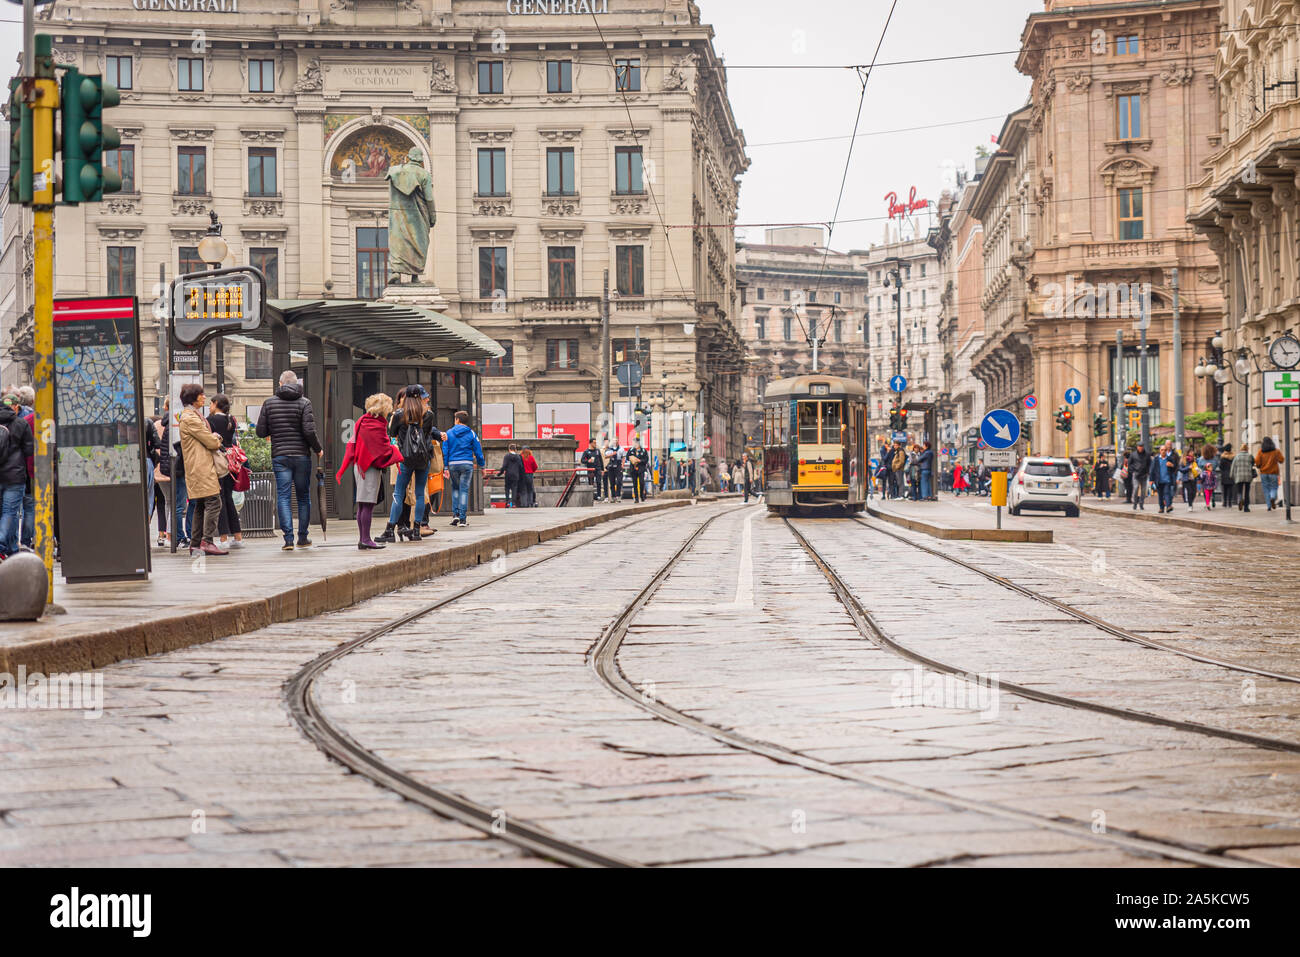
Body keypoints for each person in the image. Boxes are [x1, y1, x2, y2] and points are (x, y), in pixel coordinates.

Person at [256, 370, 323, 551]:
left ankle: (288, 540)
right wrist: (318, 449)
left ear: (280, 384)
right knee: (303, 496)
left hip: (280, 456)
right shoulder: (304, 402)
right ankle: (303, 537)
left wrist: (275, 428)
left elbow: (260, 432)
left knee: (284, 497)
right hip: (301, 456)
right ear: (297, 384)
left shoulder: (269, 403)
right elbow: (309, 431)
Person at [336, 393, 403, 550]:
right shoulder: (377, 424)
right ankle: (365, 539)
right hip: (369, 468)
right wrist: (397, 453)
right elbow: (382, 448)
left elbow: (354, 444)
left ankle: (363, 539)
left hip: (359, 466)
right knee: (368, 505)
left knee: (362, 505)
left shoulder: (362, 420)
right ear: (384, 408)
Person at [382, 384, 444, 542]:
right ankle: (416, 530)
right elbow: (428, 433)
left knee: (399, 493)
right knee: (419, 493)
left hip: (406, 459)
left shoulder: (399, 415)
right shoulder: (428, 414)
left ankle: (390, 530)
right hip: (423, 459)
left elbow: (393, 433)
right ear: (419, 397)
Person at [178, 383, 226, 558]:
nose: (204, 397)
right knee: (214, 502)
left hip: (198, 466)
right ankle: (207, 541)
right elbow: (211, 442)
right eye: (201, 394)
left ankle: (196, 544)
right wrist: (217, 437)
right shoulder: (191, 418)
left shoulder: (192, 416)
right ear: (193, 397)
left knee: (200, 505)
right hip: (201, 467)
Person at [0, 390, 35, 560]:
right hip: (15, 476)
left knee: (5, 512)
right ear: (15, 407)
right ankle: (1, 543)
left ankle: (12, 548)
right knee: (10, 512)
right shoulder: (22, 424)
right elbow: (29, 450)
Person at [206, 395, 244, 549]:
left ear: (216, 404)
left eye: (210, 403)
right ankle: (237, 536)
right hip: (231, 461)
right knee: (228, 498)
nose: (209, 406)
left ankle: (223, 538)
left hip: (218, 460)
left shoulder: (212, 421)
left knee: (219, 498)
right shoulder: (231, 419)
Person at [443, 410, 484, 527]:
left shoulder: (448, 433)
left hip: (453, 464)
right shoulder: (471, 433)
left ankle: (455, 515)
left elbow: (445, 451)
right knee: (463, 490)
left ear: (457, 420)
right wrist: (482, 465)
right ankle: (462, 519)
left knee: (455, 489)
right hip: (467, 463)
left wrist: (445, 467)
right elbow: (478, 451)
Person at [17, 385, 35, 549]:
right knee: (30, 508)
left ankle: (19, 543)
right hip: (35, 470)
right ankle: (27, 541)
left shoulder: (23, 421)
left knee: (18, 508)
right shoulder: (31, 418)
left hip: (22, 470)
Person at [1256, 436, 1285, 511]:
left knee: (1266, 489)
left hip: (1264, 473)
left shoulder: (1260, 451)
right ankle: (1272, 497)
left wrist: (1260, 465)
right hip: (1273, 472)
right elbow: (1281, 460)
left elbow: (1257, 462)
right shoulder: (1276, 451)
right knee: (1274, 487)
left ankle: (1269, 506)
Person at [1152, 442, 1177, 513]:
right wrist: (1151, 479)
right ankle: (1161, 508)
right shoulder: (1156, 459)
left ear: (1166, 451)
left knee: (1167, 493)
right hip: (1159, 480)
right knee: (1160, 495)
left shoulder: (1169, 458)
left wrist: (1172, 465)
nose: (1163, 451)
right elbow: (1152, 470)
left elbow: (1175, 468)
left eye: (1165, 450)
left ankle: (1168, 506)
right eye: (1162, 450)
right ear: (1159, 451)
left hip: (1167, 480)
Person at [1231, 438, 1255, 511]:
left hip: (1239, 476)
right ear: (1247, 449)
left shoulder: (1237, 456)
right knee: (1247, 492)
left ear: (1241, 449)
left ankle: (1240, 499)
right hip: (1248, 476)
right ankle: (1246, 508)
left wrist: (1232, 475)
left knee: (1239, 490)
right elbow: (1253, 463)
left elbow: (1233, 467)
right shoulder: (1250, 456)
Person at [1127, 442, 1151, 510]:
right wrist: (1133, 471)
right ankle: (1135, 503)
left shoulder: (1147, 454)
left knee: (1143, 491)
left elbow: (1150, 464)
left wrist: (1148, 472)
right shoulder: (1133, 454)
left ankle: (1141, 503)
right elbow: (1129, 464)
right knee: (1136, 488)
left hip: (1144, 475)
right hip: (1136, 474)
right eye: (1139, 446)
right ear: (1137, 447)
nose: (1140, 448)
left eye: (1141, 446)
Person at [1198, 443, 1218, 509]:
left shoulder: (1201, 459)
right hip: (1212, 476)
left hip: (1204, 477)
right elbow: (1216, 465)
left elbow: (1199, 466)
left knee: (1205, 490)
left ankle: (1207, 502)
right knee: (1212, 489)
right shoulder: (1214, 459)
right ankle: (1213, 499)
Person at [1218, 444, 1237, 509]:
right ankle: (1230, 503)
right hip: (1231, 474)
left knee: (1225, 489)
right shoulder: (1233, 457)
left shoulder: (1223, 457)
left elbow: (1220, 466)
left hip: (1224, 475)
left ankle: (1225, 503)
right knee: (1230, 489)